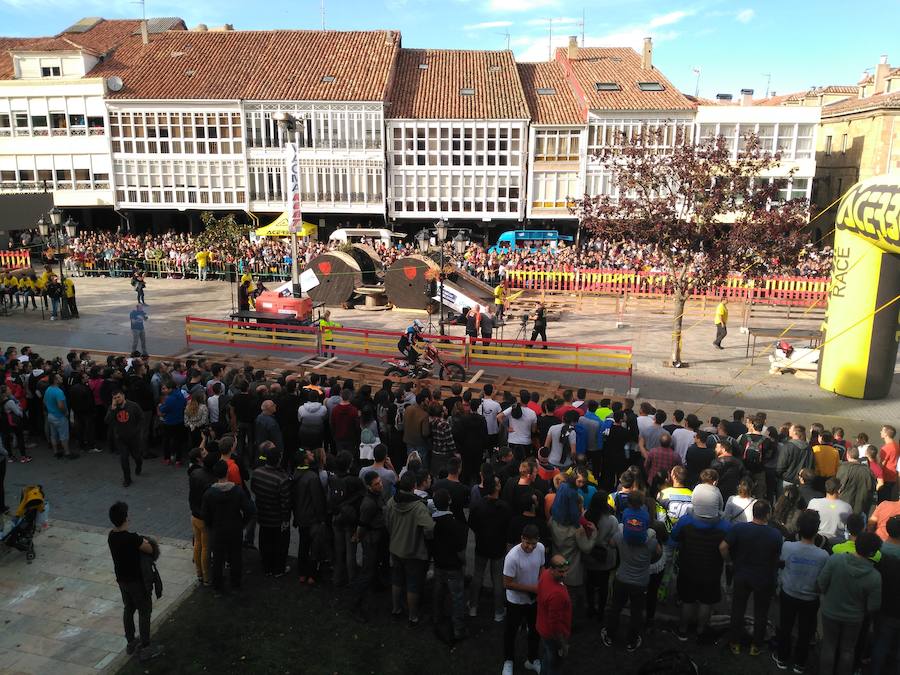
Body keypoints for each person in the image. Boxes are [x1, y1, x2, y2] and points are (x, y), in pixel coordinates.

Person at [720, 500, 783, 656]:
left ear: (753, 512)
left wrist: (729, 561)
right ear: (768, 514)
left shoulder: (739, 528)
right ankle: (756, 646)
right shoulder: (775, 534)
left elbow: (722, 547)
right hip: (764, 578)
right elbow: (777, 555)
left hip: (742, 574)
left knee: (738, 609)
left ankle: (735, 643)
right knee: (761, 613)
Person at [601, 492, 660, 652]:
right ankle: (632, 640)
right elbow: (658, 553)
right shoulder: (650, 540)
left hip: (622, 578)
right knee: (636, 612)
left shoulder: (621, 536)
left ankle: (610, 634)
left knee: (616, 608)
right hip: (640, 582)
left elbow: (611, 543)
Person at [817, 532, 883, 675]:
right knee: (848, 650)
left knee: (829, 645)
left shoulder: (835, 560)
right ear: (872, 552)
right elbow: (873, 606)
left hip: (830, 611)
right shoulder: (874, 577)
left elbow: (821, 583)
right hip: (854, 618)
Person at [773, 509, 830, 672]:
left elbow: (781, 564)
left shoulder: (788, 546)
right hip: (811, 598)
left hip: (789, 593)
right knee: (806, 631)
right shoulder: (823, 555)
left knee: (785, 626)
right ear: (817, 529)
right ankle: (800, 662)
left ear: (799, 527)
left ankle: (782, 658)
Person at [668, 496, 731, 643]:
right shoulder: (725, 526)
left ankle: (682, 630)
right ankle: (700, 631)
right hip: (712, 571)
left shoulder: (686, 521)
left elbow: (673, 538)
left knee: (687, 600)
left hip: (688, 568)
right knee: (706, 602)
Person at [107, 501, 163, 662]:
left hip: (122, 581)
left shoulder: (111, 537)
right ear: (125, 518)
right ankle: (146, 647)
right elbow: (150, 550)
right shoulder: (132, 538)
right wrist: (146, 541)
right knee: (145, 612)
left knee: (128, 608)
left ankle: (131, 641)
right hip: (136, 582)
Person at [386, 471, 435, 626]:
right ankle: (413, 616)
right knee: (413, 585)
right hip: (413, 552)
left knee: (397, 580)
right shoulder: (418, 507)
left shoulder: (391, 502)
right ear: (414, 486)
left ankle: (396, 609)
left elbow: (387, 522)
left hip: (395, 548)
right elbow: (429, 529)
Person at [501, 523, 545, 675]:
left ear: (538, 540)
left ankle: (532, 660)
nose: (530, 547)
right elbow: (507, 583)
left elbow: (541, 567)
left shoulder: (540, 548)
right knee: (511, 632)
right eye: (527, 543)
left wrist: (540, 584)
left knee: (535, 630)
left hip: (533, 600)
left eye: (533, 544)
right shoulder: (512, 557)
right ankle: (508, 661)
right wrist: (532, 589)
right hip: (515, 602)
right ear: (522, 539)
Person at [202, 459, 251, 593]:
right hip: (234, 529)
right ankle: (235, 583)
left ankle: (218, 586)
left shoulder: (209, 494)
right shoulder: (237, 491)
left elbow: (205, 515)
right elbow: (249, 509)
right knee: (235, 557)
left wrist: (211, 525)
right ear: (227, 472)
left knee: (217, 559)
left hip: (217, 531)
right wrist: (242, 522)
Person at [468, 474, 512, 622]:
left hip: (482, 545)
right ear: (496, 487)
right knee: (498, 579)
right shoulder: (504, 507)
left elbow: (472, 524)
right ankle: (499, 611)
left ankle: (473, 606)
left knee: (478, 575)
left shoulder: (477, 506)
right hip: (498, 547)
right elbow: (507, 527)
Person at [350, 470, 389, 623]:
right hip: (371, 540)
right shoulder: (368, 504)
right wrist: (358, 537)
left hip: (379, 537)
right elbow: (362, 525)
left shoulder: (377, 495)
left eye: (380, 482)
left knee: (374, 568)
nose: (380, 485)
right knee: (367, 571)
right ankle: (356, 602)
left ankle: (376, 586)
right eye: (376, 484)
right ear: (368, 486)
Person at [431, 488, 469, 643]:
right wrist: (463, 561)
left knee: (438, 592)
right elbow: (460, 550)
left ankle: (437, 618)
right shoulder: (455, 525)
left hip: (439, 564)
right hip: (453, 566)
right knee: (457, 597)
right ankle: (458, 628)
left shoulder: (432, 521)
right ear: (449, 502)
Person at [251, 446, 292, 577]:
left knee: (265, 542)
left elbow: (254, 489)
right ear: (279, 460)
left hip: (263, 516)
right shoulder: (282, 479)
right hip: (277, 519)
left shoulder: (257, 473)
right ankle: (278, 569)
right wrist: (286, 519)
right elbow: (286, 502)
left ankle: (267, 566)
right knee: (280, 545)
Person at [293, 447, 326, 584]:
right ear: (305, 460)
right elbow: (317, 500)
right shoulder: (312, 477)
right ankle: (312, 575)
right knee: (314, 546)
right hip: (312, 518)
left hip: (301, 517)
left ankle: (302, 573)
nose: (312, 454)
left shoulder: (295, 474)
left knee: (303, 545)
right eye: (309, 454)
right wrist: (322, 518)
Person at [537, 555, 572, 675]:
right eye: (561, 572)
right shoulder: (557, 594)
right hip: (553, 635)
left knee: (548, 657)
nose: (564, 575)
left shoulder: (545, 574)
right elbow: (555, 625)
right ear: (552, 570)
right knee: (555, 665)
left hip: (542, 626)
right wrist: (563, 644)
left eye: (566, 571)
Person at [187, 448, 215, 586]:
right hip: (204, 518)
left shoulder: (194, 473)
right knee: (206, 548)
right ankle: (206, 577)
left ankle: (199, 573)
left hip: (194, 514)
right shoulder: (210, 479)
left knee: (198, 544)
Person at [106, 390, 144, 487]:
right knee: (124, 459)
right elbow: (107, 421)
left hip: (133, 438)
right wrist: (113, 409)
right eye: (114, 398)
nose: (117, 399)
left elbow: (141, 418)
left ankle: (139, 465)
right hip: (121, 438)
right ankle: (127, 479)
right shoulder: (113, 408)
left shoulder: (133, 406)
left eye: (118, 397)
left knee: (137, 456)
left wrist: (137, 431)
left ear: (123, 396)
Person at [808, 477, 853, 544]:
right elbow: (850, 528)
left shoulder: (814, 502)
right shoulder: (847, 507)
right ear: (839, 490)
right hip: (837, 542)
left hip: (817, 540)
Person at [836, 445, 876, 516]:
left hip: (845, 507)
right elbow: (872, 489)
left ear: (847, 455)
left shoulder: (844, 468)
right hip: (862, 509)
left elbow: (838, 487)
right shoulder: (868, 471)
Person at [879, 425, 899, 501]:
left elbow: (881, 465)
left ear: (886, 434)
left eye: (882, 431)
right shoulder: (896, 445)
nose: (880, 432)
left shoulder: (886, 448)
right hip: (893, 477)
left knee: (882, 502)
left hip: (886, 478)